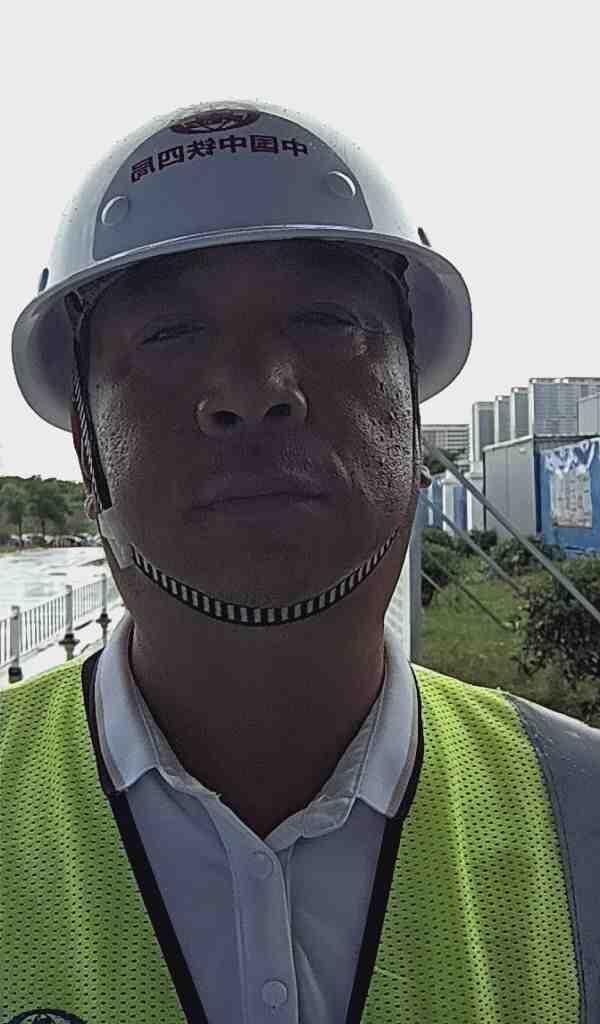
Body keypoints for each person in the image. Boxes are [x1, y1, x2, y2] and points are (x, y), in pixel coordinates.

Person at [3, 101, 599, 1024]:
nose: (254, 391)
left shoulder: (582, 814)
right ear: (86, 444)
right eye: (169, 334)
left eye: (327, 319)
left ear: (412, 413)